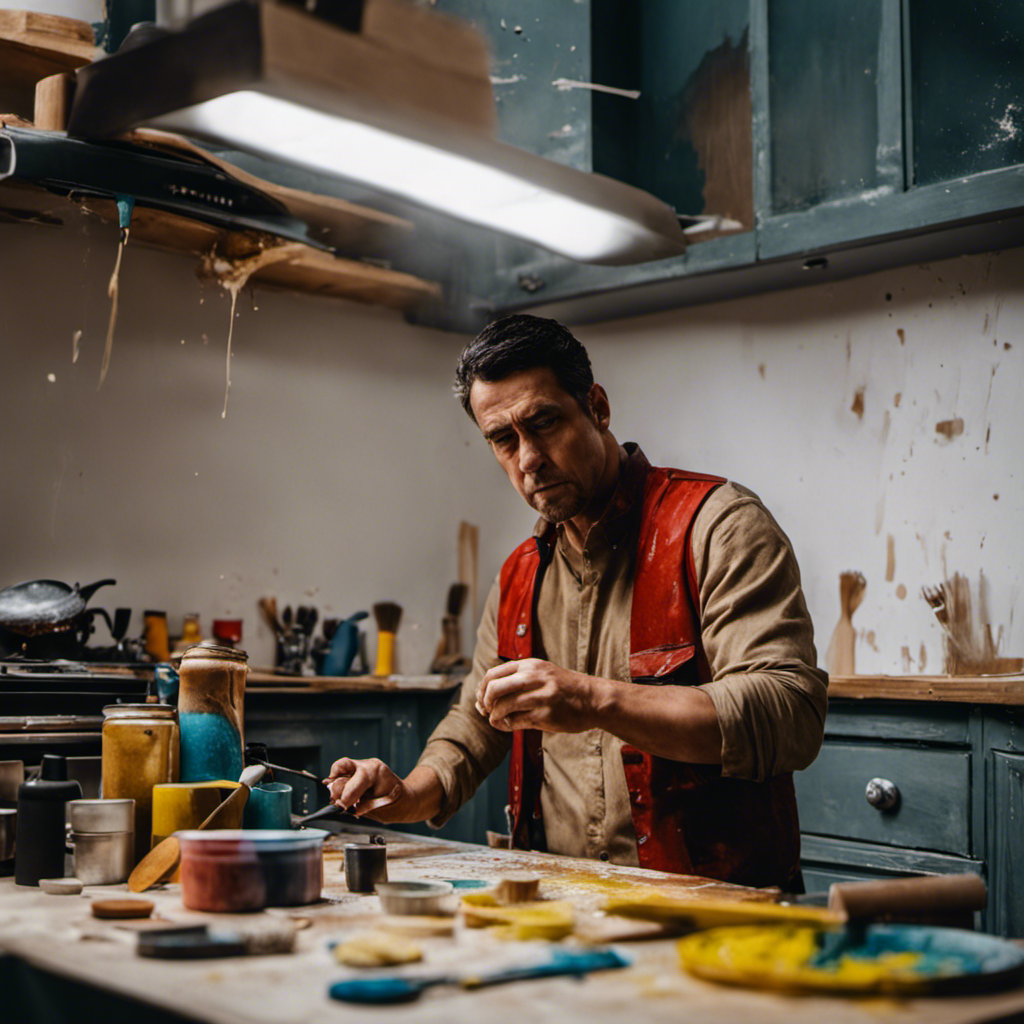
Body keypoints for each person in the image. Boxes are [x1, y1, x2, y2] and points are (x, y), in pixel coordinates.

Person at [325, 314, 827, 889]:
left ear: (598, 407)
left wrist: (593, 699)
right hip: (561, 901)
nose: (528, 458)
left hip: (717, 908)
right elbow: (479, 718)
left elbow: (790, 714)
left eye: (543, 423)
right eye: (503, 440)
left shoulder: (718, 526)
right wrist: (410, 792)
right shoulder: (519, 571)